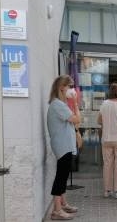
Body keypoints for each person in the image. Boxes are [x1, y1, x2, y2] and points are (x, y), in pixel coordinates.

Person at [47, 75, 80, 220]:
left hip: (66, 145)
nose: (71, 89)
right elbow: (76, 119)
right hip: (63, 146)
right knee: (61, 177)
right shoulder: (58, 105)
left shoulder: (59, 104)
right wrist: (75, 103)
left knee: (64, 176)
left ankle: (63, 203)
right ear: (63, 87)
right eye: (70, 86)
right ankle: (57, 210)